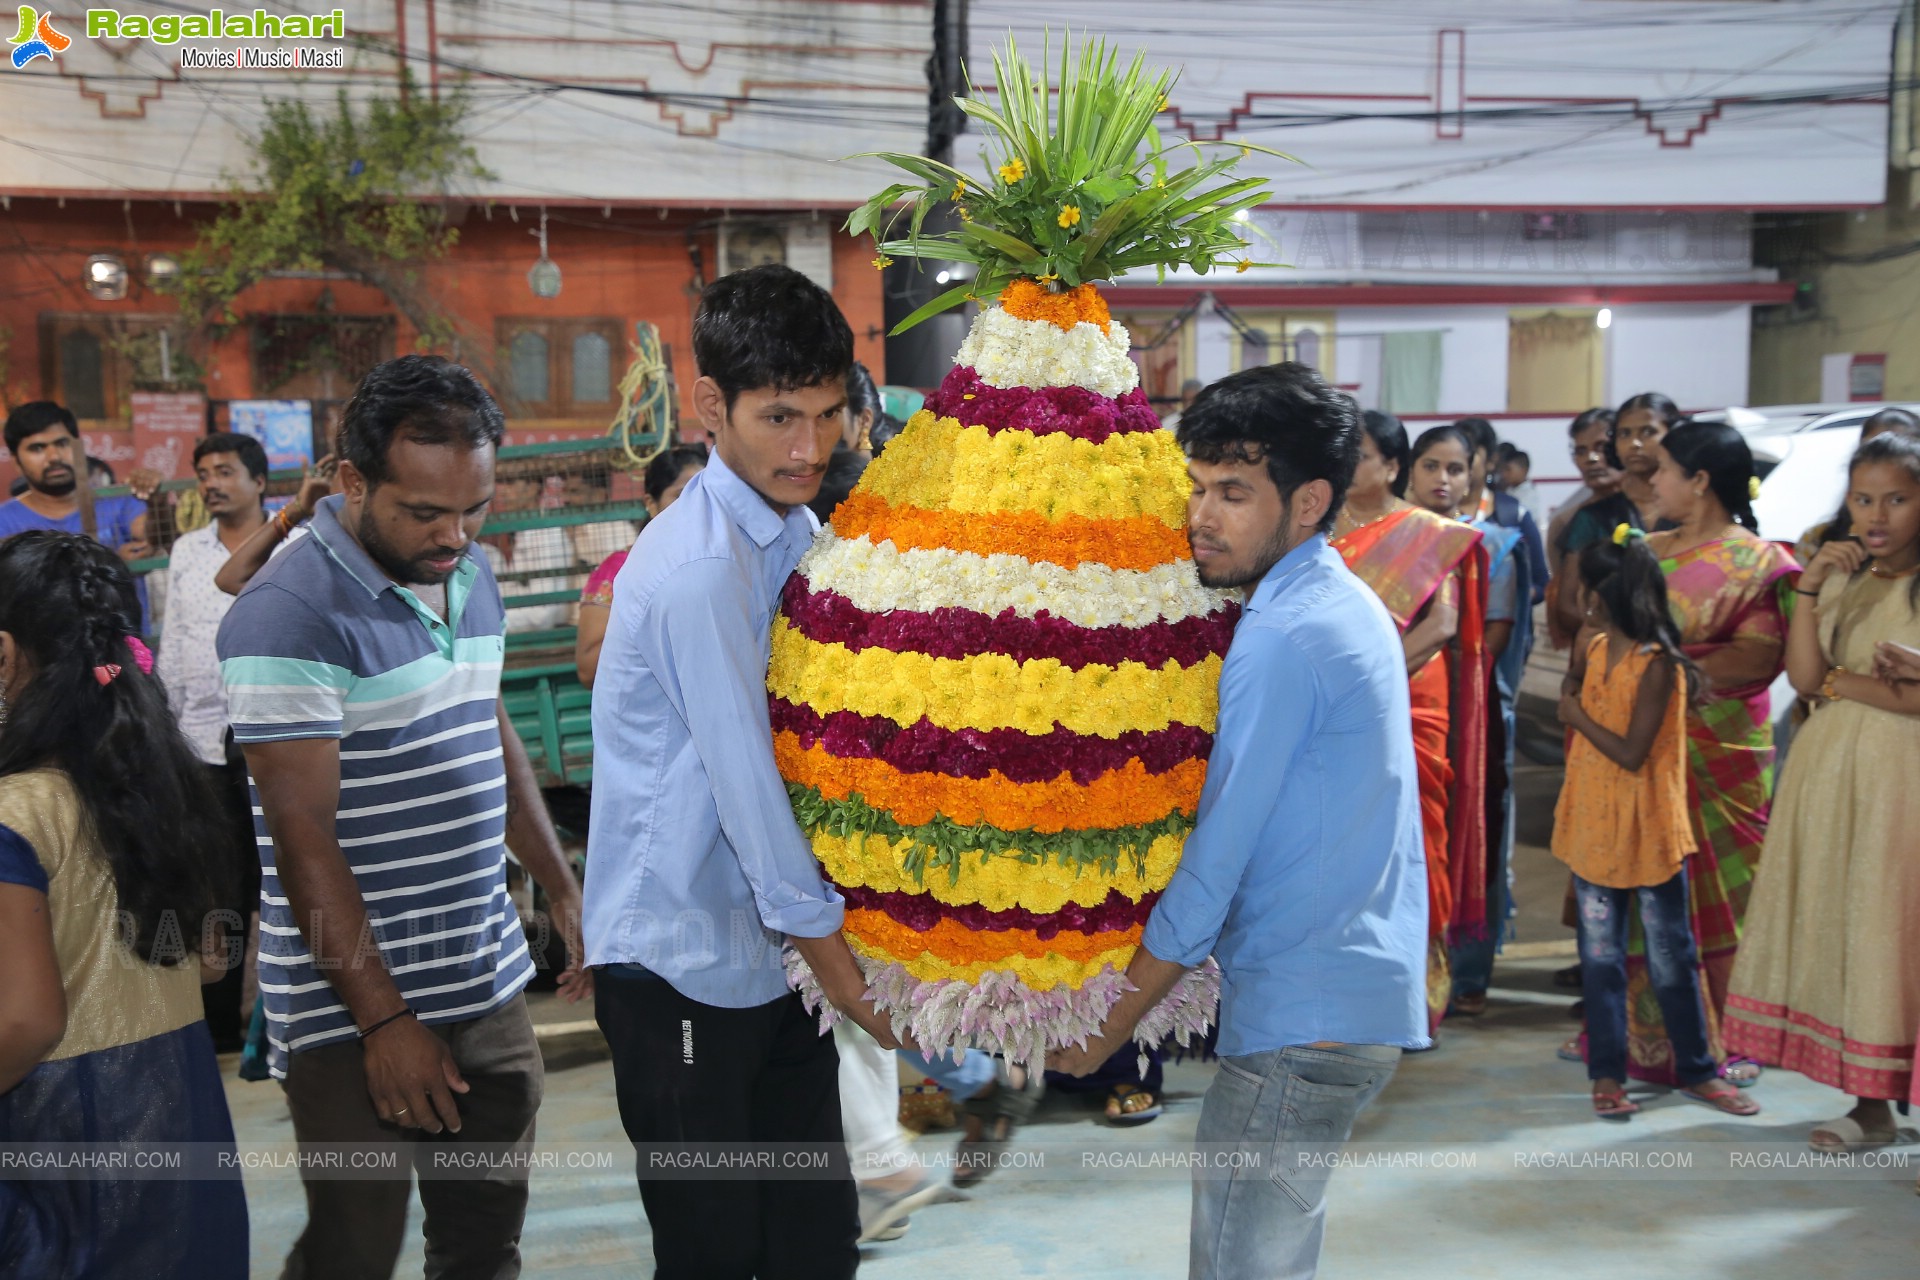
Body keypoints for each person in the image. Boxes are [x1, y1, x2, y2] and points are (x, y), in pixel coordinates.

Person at [216, 355, 591, 1279]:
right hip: (351, 1014)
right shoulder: (288, 614)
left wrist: (558, 884)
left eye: (475, 508)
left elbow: (486, 721)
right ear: (351, 482)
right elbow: (301, 832)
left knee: (482, 1246)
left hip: (487, 981)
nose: (456, 536)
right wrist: (384, 1024)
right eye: (425, 512)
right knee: (355, 1252)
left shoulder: (467, 574)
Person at [1052, 362, 1428, 1280]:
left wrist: (1112, 1020)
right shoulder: (1338, 603)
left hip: (1305, 1020)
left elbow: (1220, 856)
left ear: (1307, 502)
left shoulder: (1283, 636)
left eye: (1233, 492)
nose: (1200, 517)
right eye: (1196, 486)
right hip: (1346, 992)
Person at [583, 264, 904, 1280]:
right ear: (710, 407)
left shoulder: (796, 530)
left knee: (816, 1246)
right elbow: (751, 787)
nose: (808, 447)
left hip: (777, 958)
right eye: (778, 417)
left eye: (826, 414)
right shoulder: (697, 569)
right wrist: (855, 981)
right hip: (679, 966)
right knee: (715, 1253)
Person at [0, 531, 249, 1277]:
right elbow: (210, 963)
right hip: (183, 1125)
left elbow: (26, 1017)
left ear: (5, 656)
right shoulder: (157, 784)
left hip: (70, 1153)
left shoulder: (17, 812)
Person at [1581, 422, 1796, 1088]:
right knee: (1636, 883)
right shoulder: (1644, 550)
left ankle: (1733, 1032)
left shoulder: (1763, 563)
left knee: (1726, 890)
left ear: (1700, 482)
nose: (1654, 481)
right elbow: (1596, 626)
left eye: (1667, 469)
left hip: (1720, 752)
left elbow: (1756, 657)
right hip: (1637, 758)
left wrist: (1652, 668)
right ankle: (1645, 1038)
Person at [1724, 432, 1920, 1147]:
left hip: (1907, 787)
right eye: (1864, 499)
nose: (1877, 515)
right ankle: (1869, 1107)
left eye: (1897, 498)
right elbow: (1807, 679)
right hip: (1836, 781)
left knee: (1903, 937)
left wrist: (1863, 683)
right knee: (1858, 933)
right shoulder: (1842, 578)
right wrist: (1808, 587)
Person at [1555, 530, 1762, 1119]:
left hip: (1647, 832)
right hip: (1595, 829)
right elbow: (1575, 685)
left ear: (1606, 596)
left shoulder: (1659, 668)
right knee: (1601, 962)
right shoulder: (1593, 649)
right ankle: (1607, 1075)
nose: (1580, 598)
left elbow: (1632, 751)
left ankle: (1697, 1070)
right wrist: (1573, 692)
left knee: (1672, 958)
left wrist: (1574, 715)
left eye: (1588, 589)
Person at [158, 433, 318, 1052]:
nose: (211, 483)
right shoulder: (187, 552)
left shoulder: (295, 545)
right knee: (217, 892)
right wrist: (168, 735)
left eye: (225, 471)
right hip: (202, 742)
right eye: (203, 473)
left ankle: (297, 1022)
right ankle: (221, 1031)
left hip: (276, 731)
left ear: (259, 481)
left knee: (287, 875)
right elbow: (173, 643)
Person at [1382, 423, 1493, 1029]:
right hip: (1374, 692)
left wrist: (1373, 671)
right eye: (1433, 467)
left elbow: (1444, 626)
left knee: (1425, 837)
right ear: (1408, 470)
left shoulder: (1440, 542)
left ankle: (1422, 988)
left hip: (1418, 692)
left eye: (1456, 469)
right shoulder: (1372, 531)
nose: (1444, 481)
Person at [0, 401, 161, 631]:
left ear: (79, 447)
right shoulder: (4, 522)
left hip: (124, 657)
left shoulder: (120, 503)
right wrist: (112, 564)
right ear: (16, 461)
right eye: (37, 448)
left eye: (62, 443)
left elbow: (153, 536)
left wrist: (157, 500)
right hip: (47, 661)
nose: (54, 456)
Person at [574, 443, 707, 688]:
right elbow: (589, 669)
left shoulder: (729, 564)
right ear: (651, 503)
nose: (696, 505)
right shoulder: (619, 570)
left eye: (705, 492)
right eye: (680, 495)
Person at [1554, 393, 1682, 642]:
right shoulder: (1593, 517)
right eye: (1625, 434)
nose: (1634, 443)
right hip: (1612, 649)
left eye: (1647, 432)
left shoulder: (1687, 512)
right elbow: (1568, 605)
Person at [1792, 407, 1920, 565]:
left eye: (1897, 500)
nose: (1877, 516)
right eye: (1871, 450)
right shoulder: (1818, 541)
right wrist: (1811, 584)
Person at [1547, 408, 1623, 649]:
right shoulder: (1565, 521)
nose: (1591, 459)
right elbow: (1567, 604)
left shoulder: (1661, 509)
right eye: (1581, 451)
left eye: (1600, 447)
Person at [1502, 449, 1548, 529]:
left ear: (1523, 470)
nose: (1504, 474)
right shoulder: (1509, 489)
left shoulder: (1529, 496)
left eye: (1508, 470)